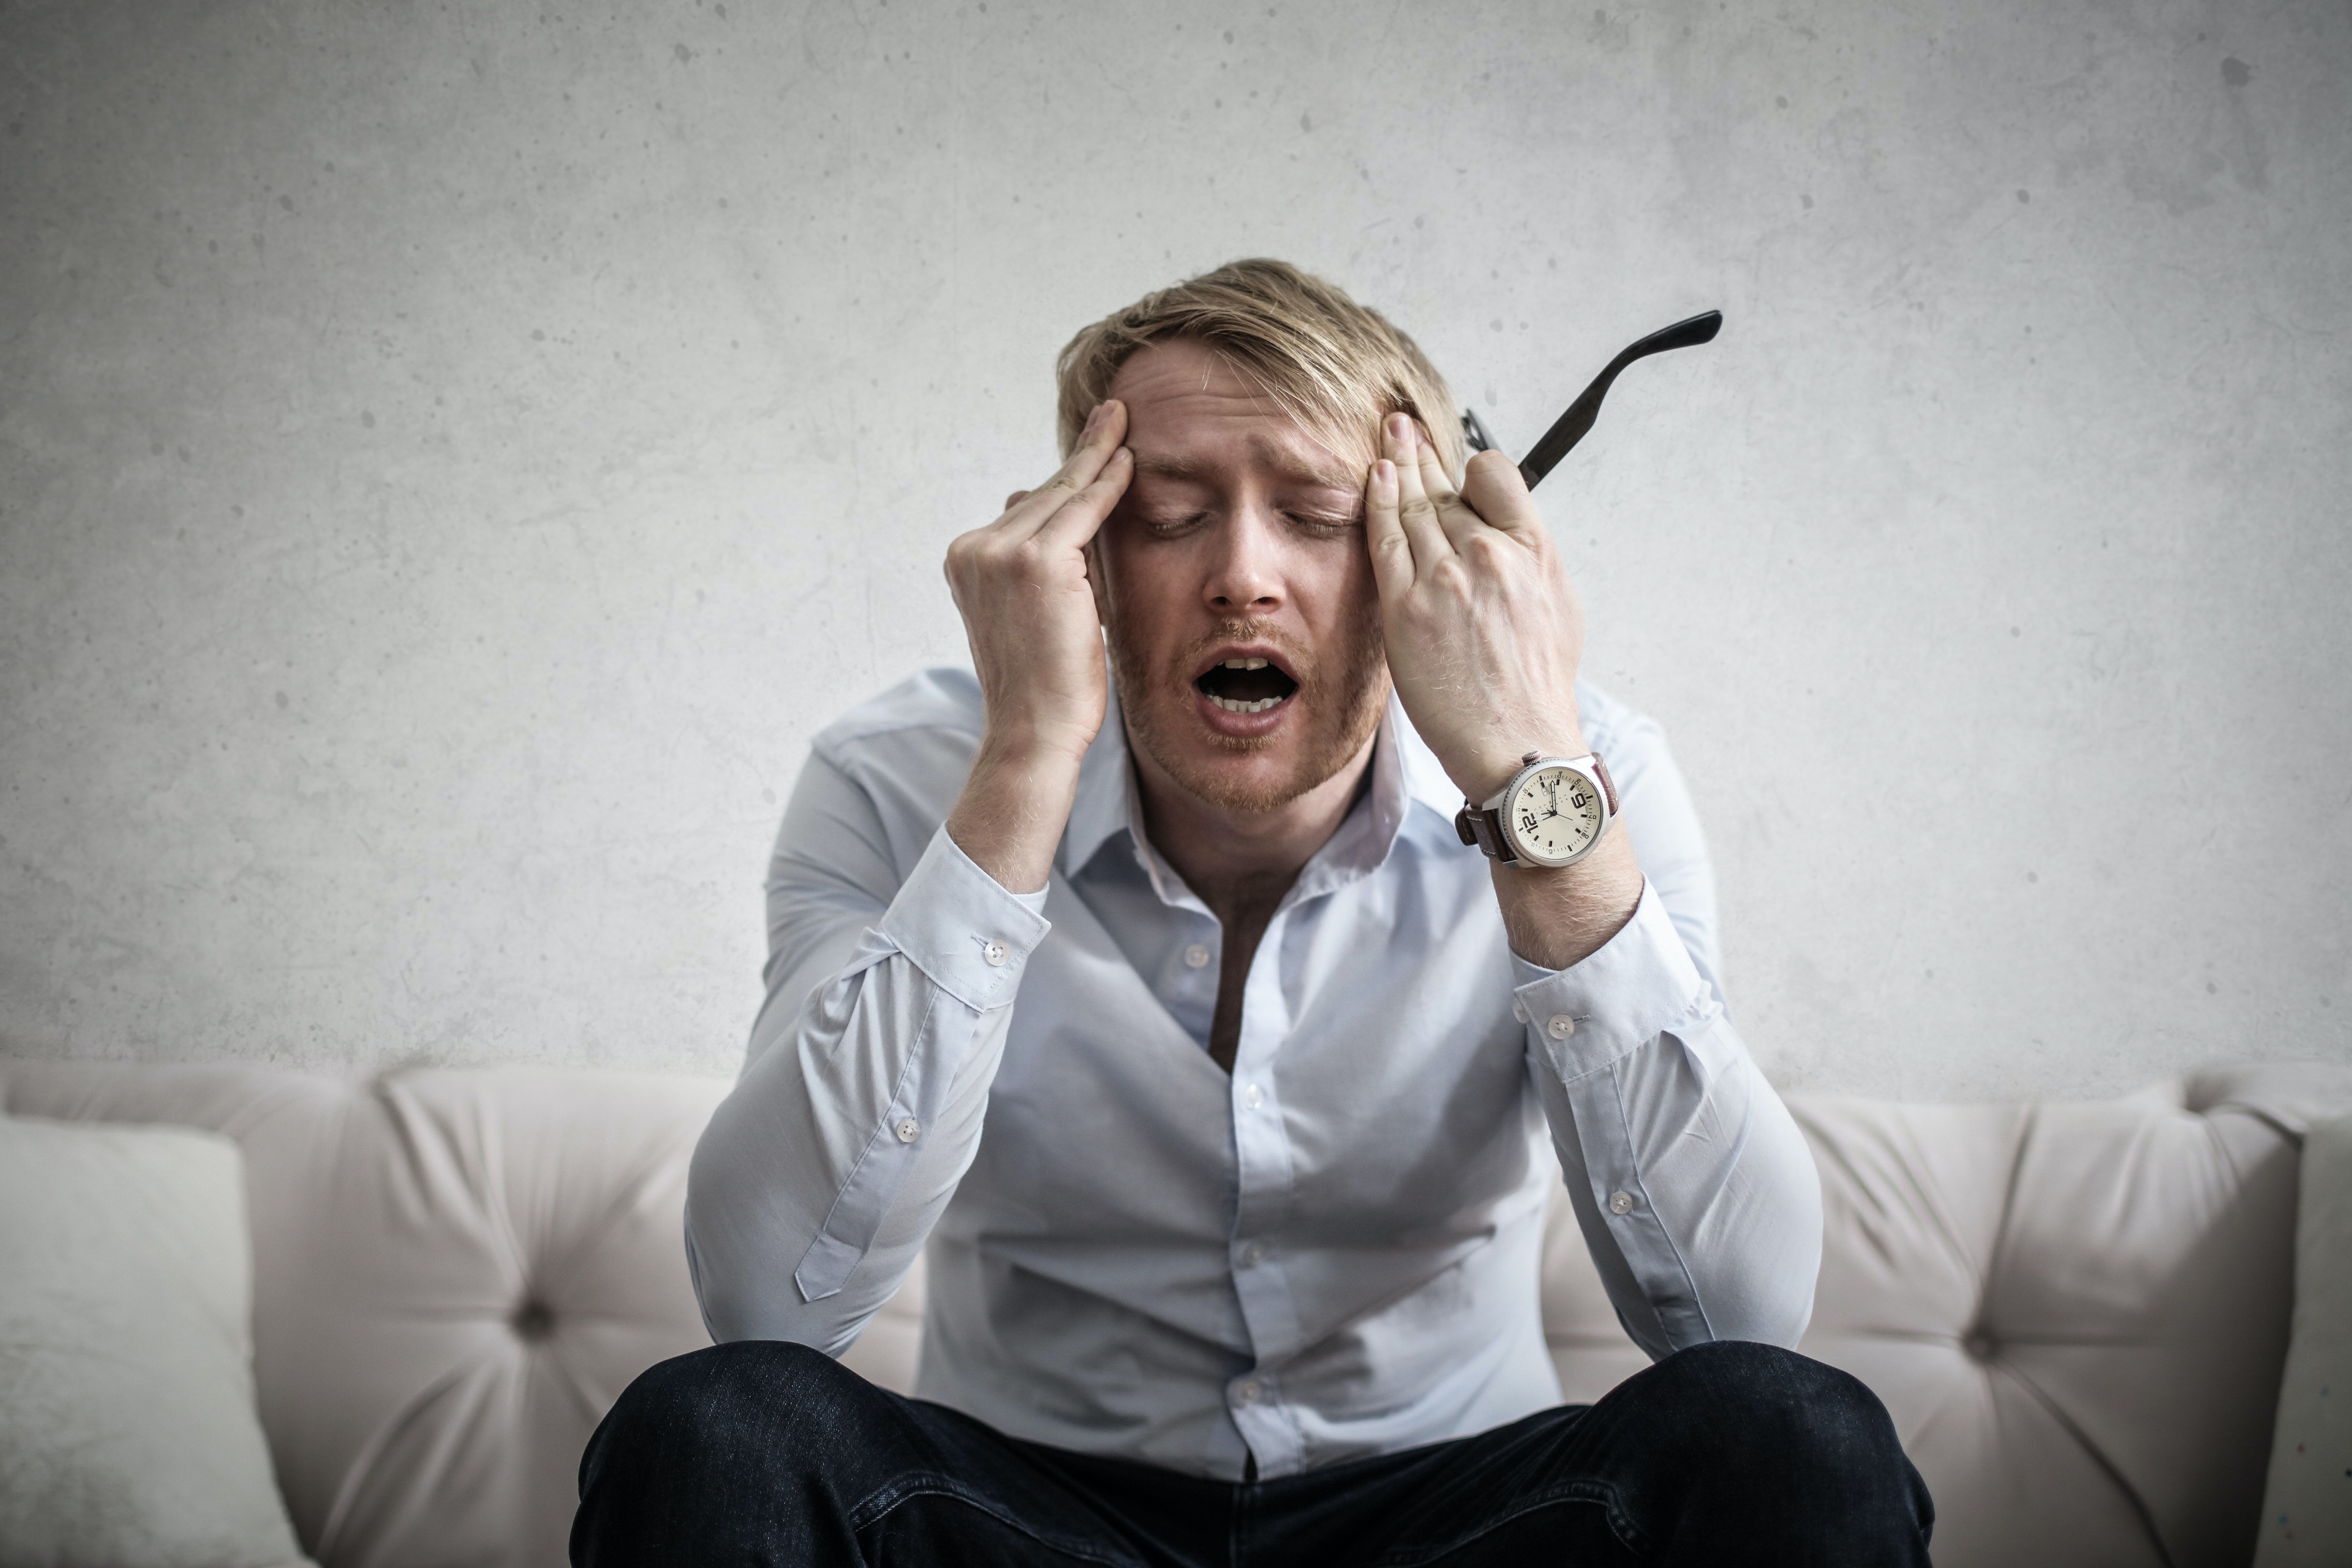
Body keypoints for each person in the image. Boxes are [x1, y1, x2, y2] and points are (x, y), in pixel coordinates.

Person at [573, 259, 1933, 1565]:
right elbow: (762, 1306)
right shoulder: (893, 779)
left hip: (1453, 1518)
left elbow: (1742, 1320)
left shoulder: (1586, 779)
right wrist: (1024, 763)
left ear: (1425, 561)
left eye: (1322, 516)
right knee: (715, 1430)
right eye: (1167, 516)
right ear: (1085, 562)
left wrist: (1530, 780)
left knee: (1790, 1435)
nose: (1241, 575)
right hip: (1028, 1515)